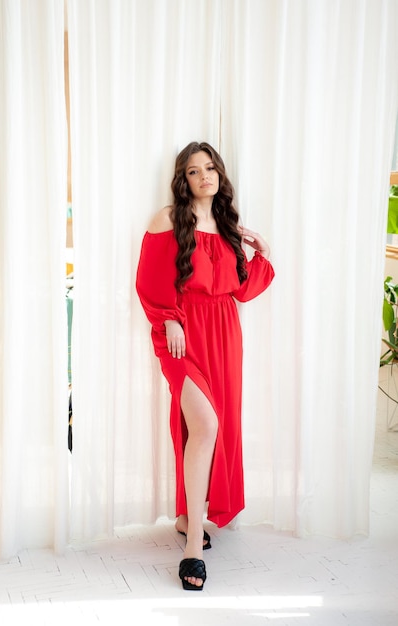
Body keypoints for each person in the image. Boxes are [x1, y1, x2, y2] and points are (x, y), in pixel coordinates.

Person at [136, 141, 274, 591]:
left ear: (220, 175)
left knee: (213, 426)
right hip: (181, 335)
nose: (204, 177)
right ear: (184, 180)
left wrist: (262, 251)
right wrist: (169, 320)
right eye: (194, 171)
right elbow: (151, 281)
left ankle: (185, 518)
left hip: (224, 334)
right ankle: (195, 542)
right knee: (205, 424)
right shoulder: (169, 219)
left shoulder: (228, 227)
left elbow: (242, 290)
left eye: (210, 168)